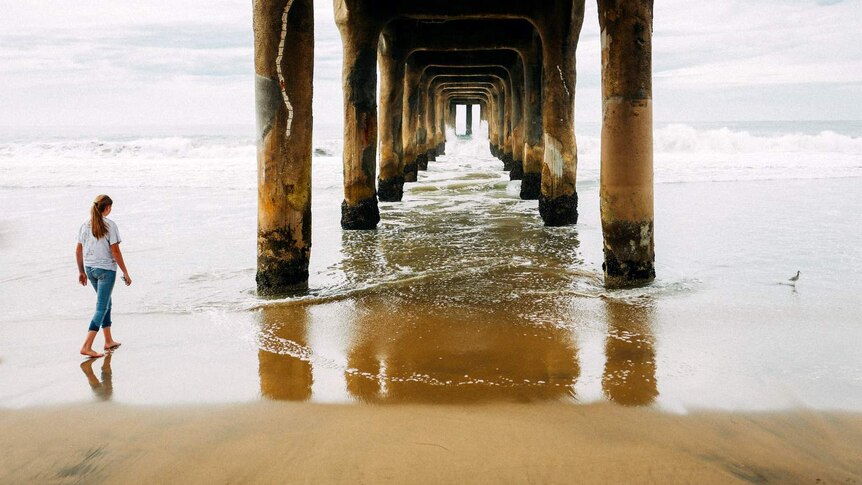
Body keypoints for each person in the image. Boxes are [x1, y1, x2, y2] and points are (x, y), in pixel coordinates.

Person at [75, 194, 132, 358]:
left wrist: (81, 271)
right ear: (107, 208)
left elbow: (78, 250)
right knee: (101, 307)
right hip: (106, 271)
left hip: (90, 269)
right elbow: (115, 251)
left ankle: (108, 340)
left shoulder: (84, 225)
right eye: (110, 207)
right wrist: (125, 272)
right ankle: (87, 345)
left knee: (107, 302)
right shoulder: (110, 225)